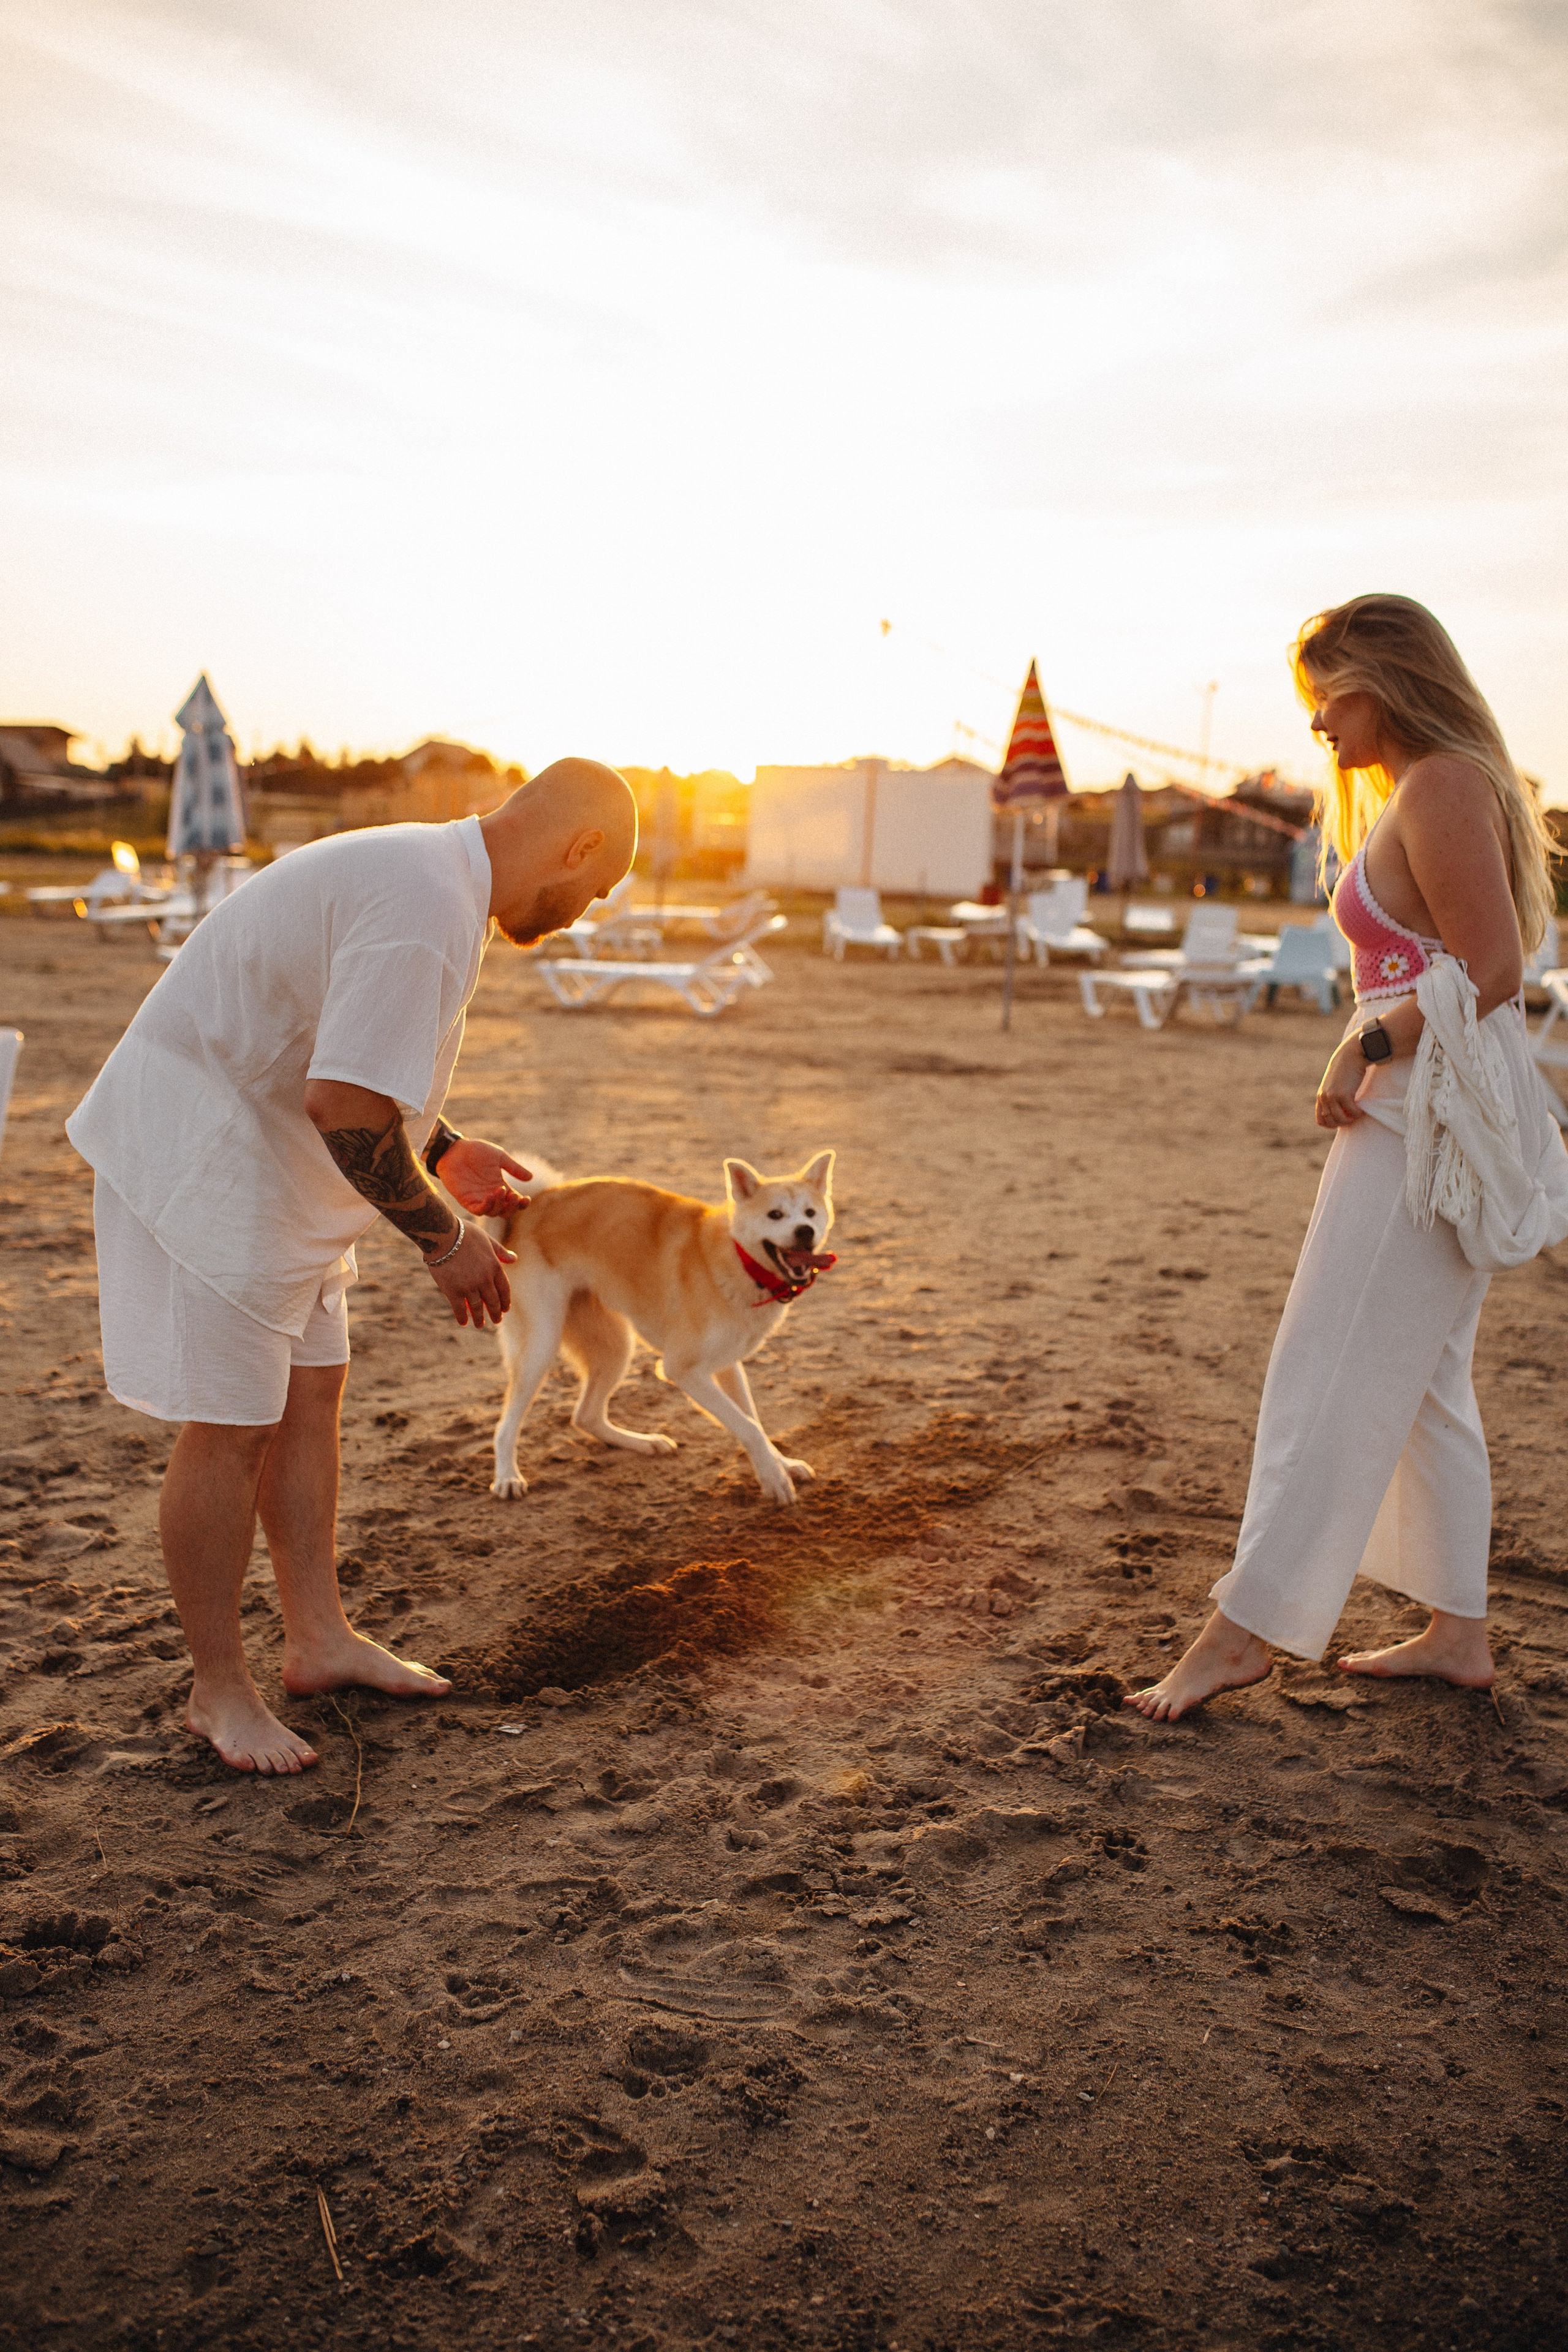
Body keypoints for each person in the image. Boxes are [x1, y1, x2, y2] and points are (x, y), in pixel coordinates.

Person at [67, 758, 637, 1774]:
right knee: (231, 1429)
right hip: (211, 1155)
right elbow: (343, 1105)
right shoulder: (425, 902)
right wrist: (445, 1238)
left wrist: (446, 1145)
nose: (584, 911)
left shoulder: (433, 881)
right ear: (580, 845)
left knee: (312, 1393)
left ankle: (318, 1639)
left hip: (279, 1154)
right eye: (594, 889)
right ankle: (218, 1691)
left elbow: (352, 1060)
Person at [1128, 595, 1564, 1723]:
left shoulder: (1444, 783)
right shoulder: (1432, 785)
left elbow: (1495, 968)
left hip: (1423, 1118)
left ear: (1384, 677)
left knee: (1323, 1369)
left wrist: (1365, 1040)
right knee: (1425, 1384)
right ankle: (1459, 1632)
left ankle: (1241, 1631)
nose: (1319, 721)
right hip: (1423, 1115)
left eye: (1328, 694)